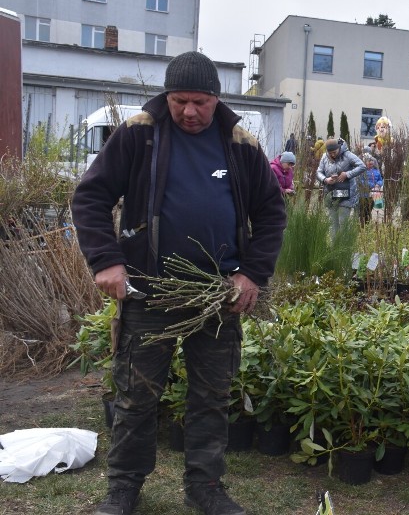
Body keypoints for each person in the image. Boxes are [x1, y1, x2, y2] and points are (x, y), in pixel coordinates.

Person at [71, 51, 286, 515]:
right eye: (179, 101)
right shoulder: (139, 135)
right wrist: (106, 260)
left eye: (200, 102)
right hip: (150, 292)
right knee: (136, 395)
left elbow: (271, 213)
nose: (189, 111)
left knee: (211, 396)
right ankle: (124, 487)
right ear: (167, 96)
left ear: (216, 98)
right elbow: (90, 196)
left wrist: (252, 273)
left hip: (216, 298)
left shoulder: (241, 144)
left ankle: (205, 487)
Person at [316, 137, 365, 236]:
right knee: (333, 225)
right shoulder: (324, 157)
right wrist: (325, 180)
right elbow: (319, 172)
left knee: (343, 225)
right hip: (331, 193)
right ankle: (334, 250)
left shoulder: (348, 155)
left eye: (334, 152)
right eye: (330, 153)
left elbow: (362, 166)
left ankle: (344, 249)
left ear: (339, 148)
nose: (333, 155)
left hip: (346, 194)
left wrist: (347, 174)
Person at [357, 154, 383, 224]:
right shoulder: (361, 171)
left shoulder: (376, 171)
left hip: (373, 195)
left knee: (369, 210)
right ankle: (361, 225)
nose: (371, 164)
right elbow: (359, 180)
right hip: (362, 195)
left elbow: (380, 179)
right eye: (369, 162)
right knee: (362, 211)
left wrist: (378, 184)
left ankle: (367, 224)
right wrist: (371, 185)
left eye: (372, 163)